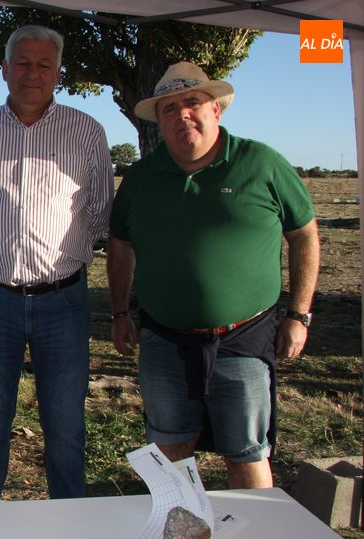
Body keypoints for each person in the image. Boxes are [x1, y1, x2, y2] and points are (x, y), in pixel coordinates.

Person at [107, 62, 319, 489]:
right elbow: (120, 244)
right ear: (160, 122)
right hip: (164, 340)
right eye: (169, 108)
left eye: (192, 103)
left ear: (216, 110)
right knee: (169, 452)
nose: (182, 114)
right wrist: (118, 313)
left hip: (244, 336)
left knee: (245, 453)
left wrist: (298, 314)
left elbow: (304, 235)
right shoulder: (142, 177)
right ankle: (180, 528)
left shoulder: (260, 162)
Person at [0, 25, 113, 503]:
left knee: (65, 427)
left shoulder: (87, 131)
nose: (32, 73)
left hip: (62, 299)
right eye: (22, 63)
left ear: (59, 72)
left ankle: (70, 520)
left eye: (44, 64)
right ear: (4, 69)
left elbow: (100, 211)